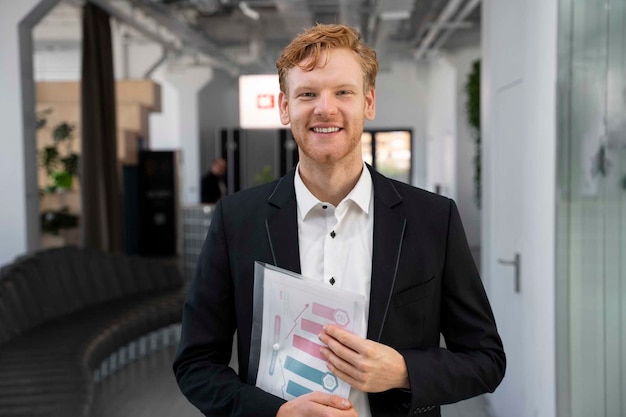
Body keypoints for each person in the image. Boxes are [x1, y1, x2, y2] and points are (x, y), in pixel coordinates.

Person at [173, 23, 505, 417]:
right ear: (285, 107)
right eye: (308, 94)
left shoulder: (432, 219)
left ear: (368, 102)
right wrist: (275, 415)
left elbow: (486, 360)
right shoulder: (236, 220)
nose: (325, 108)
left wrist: (403, 371)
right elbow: (195, 364)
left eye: (342, 92)